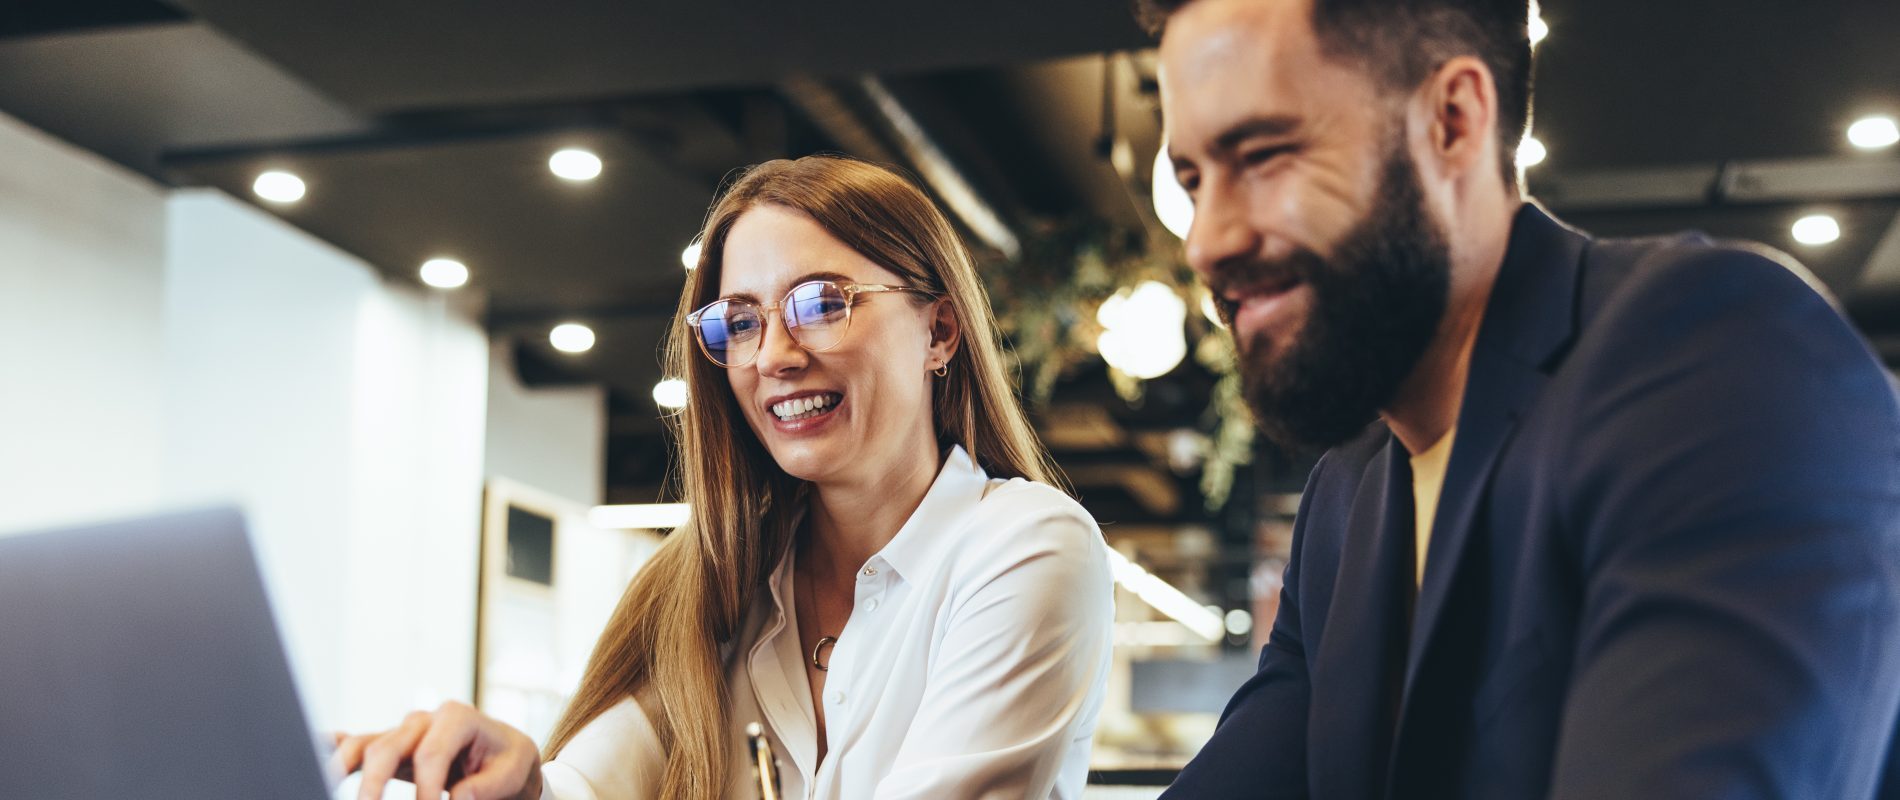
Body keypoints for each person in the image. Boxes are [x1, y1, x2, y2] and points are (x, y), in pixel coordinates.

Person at [1141, 0, 1900, 797]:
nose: (1206, 241)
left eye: (1263, 156)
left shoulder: (1721, 360)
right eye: (1192, 179)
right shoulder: (1346, 492)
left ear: (1453, 121)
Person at [330, 155, 1115, 800]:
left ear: (938, 330)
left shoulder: (1026, 546)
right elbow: (593, 787)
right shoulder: (715, 582)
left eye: (820, 303)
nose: (774, 355)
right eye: (739, 321)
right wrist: (519, 784)